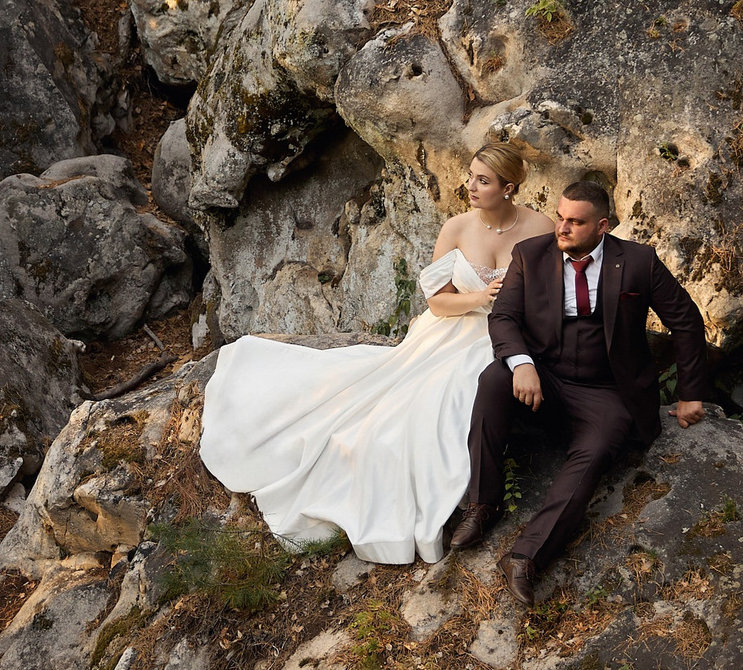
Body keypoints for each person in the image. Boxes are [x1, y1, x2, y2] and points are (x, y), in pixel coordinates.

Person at [198, 143, 554, 564]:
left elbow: (551, 296)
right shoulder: (457, 228)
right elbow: (438, 302)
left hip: (502, 336)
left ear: (508, 188)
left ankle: (470, 499)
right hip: (450, 329)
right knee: (393, 405)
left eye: (483, 180)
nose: (470, 186)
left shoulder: (541, 228)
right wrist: (479, 296)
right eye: (471, 175)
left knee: (455, 394)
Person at [452, 178, 712, 605]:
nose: (563, 228)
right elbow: (503, 319)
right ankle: (482, 504)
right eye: (560, 217)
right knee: (492, 379)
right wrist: (522, 365)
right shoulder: (530, 255)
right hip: (545, 378)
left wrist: (690, 393)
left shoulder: (638, 261)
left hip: (607, 391)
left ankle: (526, 556)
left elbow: (685, 320)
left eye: (576, 221)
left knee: (596, 451)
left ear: (602, 226)